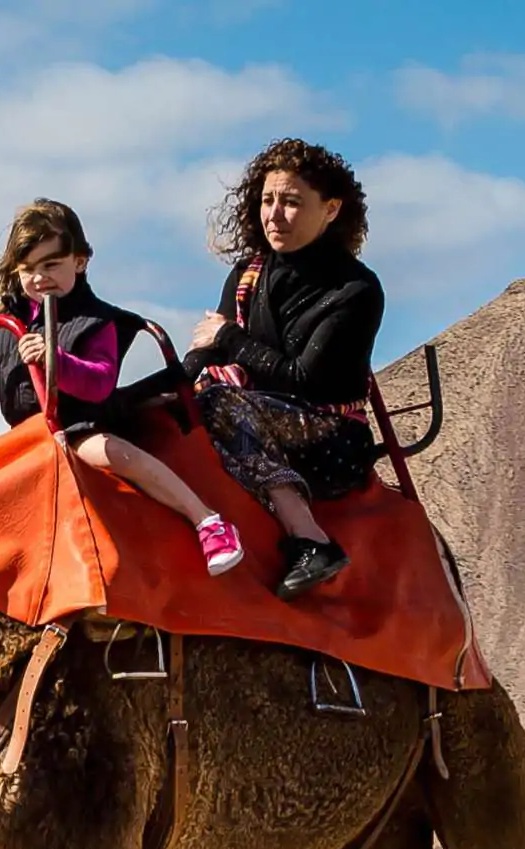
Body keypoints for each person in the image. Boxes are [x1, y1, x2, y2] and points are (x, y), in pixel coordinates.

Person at [119, 138, 384, 599]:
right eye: (268, 200)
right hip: (251, 408)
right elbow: (202, 359)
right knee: (175, 405)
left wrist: (227, 338)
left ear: (331, 209)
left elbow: (307, 380)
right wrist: (128, 400)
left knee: (217, 402)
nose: (274, 215)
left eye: (292, 202)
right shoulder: (249, 272)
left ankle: (311, 540)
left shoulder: (355, 290)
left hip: (329, 433)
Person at [0, 200, 246, 575]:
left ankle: (207, 521)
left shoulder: (96, 322)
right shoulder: (2, 326)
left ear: (80, 261)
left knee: (109, 453)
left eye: (51, 265)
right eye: (29, 269)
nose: (40, 278)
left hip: (78, 426)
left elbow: (99, 383)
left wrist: (56, 360)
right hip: (27, 435)